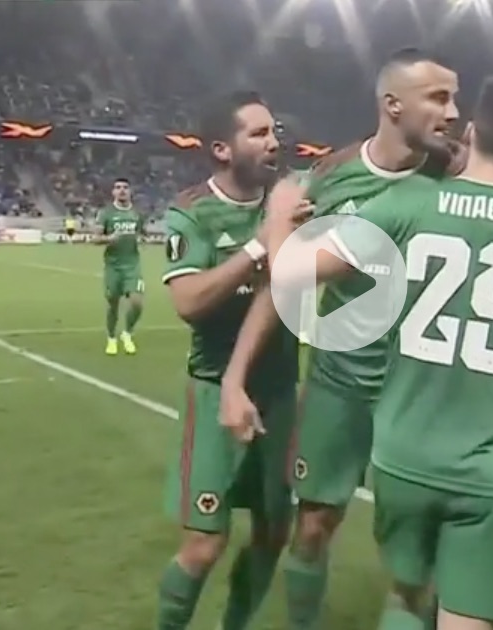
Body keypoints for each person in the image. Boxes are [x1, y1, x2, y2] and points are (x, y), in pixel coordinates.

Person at [228, 75, 493, 630]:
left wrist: (278, 220)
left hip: (405, 453)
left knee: (406, 589)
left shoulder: (409, 205)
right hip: (485, 464)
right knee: (433, 602)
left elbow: (291, 273)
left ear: (473, 133)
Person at [218, 47, 462, 630]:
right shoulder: (329, 179)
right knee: (312, 528)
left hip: (424, 392)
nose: (453, 113)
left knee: (417, 553)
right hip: (341, 385)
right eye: (439, 98)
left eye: (454, 99)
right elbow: (283, 284)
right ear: (393, 104)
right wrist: (234, 378)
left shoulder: (460, 176)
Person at [157, 90, 305, 630]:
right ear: (222, 149)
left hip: (281, 392)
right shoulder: (191, 212)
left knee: (272, 533)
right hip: (214, 387)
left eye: (274, 131)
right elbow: (189, 301)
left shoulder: (290, 200)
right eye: (258, 133)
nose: (273, 142)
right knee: (203, 544)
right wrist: (258, 248)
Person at [94, 178, 144, 355]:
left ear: (130, 191)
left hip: (132, 265)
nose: (122, 190)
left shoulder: (137, 214)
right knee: (113, 304)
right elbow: (95, 238)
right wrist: (109, 238)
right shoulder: (106, 213)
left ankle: (127, 333)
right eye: (118, 187)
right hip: (113, 266)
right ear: (113, 192)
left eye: (125, 187)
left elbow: (141, 232)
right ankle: (111, 338)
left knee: (137, 303)